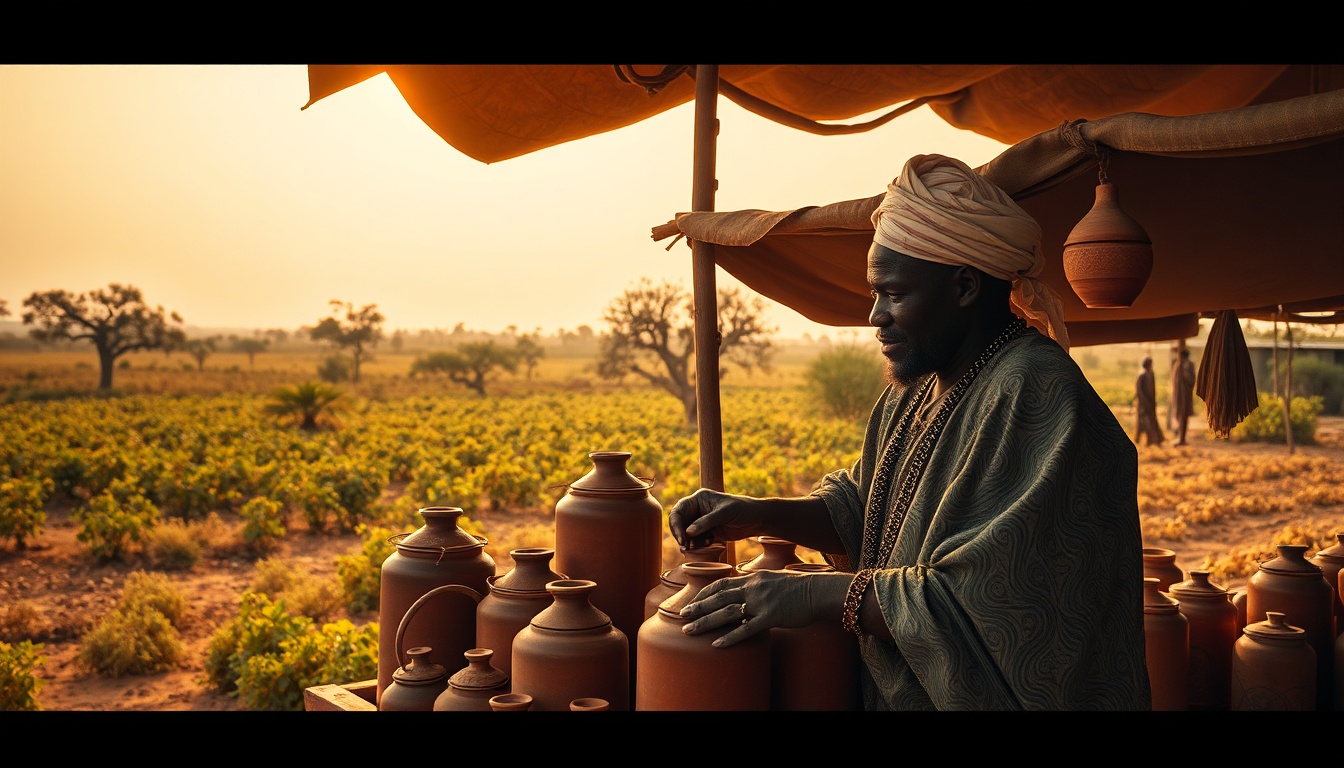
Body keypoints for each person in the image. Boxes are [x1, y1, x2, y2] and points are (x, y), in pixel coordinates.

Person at [667, 154, 1151, 710]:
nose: (875, 315)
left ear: (965, 285)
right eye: (875, 293)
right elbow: (867, 513)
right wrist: (758, 512)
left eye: (893, 294)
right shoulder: (914, 391)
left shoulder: (1038, 394)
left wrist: (816, 594)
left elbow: (991, 601)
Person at [1134, 356, 1165, 446]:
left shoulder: (1150, 374)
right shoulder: (1142, 375)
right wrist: (1144, 403)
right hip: (1143, 404)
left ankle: (1153, 441)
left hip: (1150, 403)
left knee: (1151, 421)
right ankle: (1139, 441)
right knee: (1142, 422)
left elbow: (1152, 389)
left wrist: (1152, 401)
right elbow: (1139, 391)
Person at [1169, 348, 1197, 445]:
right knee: (1179, 415)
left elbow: (1192, 379)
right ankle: (1180, 437)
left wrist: (1185, 373)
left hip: (1185, 395)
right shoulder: (1178, 364)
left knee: (1183, 416)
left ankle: (1182, 438)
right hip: (1178, 395)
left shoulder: (1189, 365)